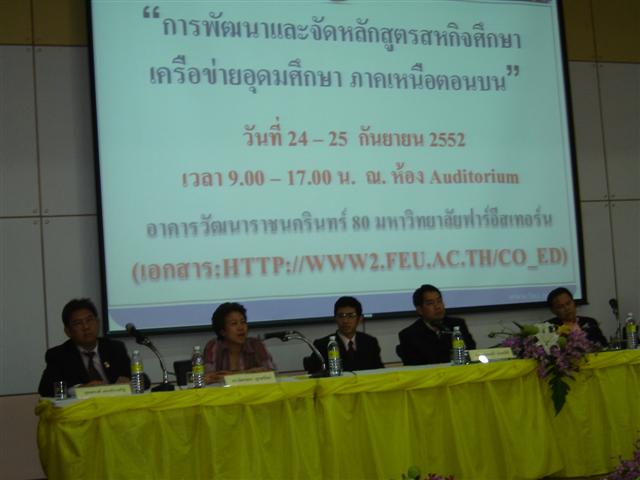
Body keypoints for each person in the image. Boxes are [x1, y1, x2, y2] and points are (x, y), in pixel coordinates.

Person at [38, 298, 133, 397]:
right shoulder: (59, 355)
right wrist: (78, 390)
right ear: (68, 331)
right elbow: (46, 389)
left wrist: (128, 382)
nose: (86, 327)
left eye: (89, 320)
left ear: (98, 323)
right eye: (78, 323)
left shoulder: (115, 348)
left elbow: (137, 379)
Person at [397, 284, 476, 365]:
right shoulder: (409, 335)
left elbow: (471, 352)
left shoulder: (457, 324)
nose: (437, 306)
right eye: (430, 303)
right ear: (420, 310)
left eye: (439, 301)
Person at [304, 296, 384, 374]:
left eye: (351, 316)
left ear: (359, 319)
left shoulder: (370, 342)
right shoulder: (322, 345)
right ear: (335, 318)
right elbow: (314, 376)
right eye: (341, 316)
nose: (345, 321)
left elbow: (380, 372)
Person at [203, 302, 275, 384]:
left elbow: (270, 373)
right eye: (234, 323)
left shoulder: (256, 344)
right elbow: (208, 377)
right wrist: (252, 373)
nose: (241, 327)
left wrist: (235, 375)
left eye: (243, 322)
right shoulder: (213, 346)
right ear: (223, 331)